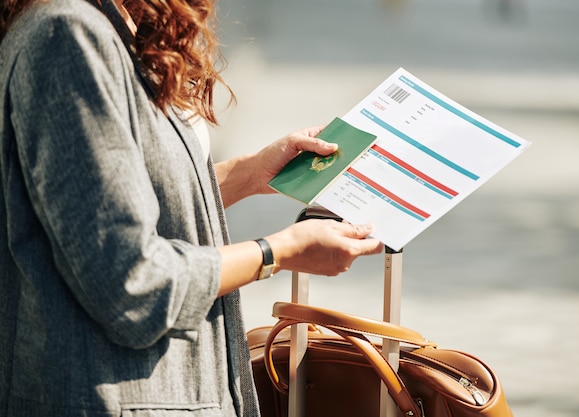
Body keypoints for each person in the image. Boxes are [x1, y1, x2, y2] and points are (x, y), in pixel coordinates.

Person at [0, 0, 383, 415]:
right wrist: (278, 251)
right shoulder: (67, 35)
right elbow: (129, 279)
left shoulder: (112, 23)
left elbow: (114, 196)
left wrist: (251, 172)